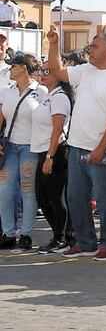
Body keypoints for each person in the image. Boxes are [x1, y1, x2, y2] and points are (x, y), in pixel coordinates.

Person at [46, 27, 106, 260]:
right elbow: (57, 70)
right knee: (75, 198)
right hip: (76, 145)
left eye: (94, 46)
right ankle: (86, 243)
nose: (89, 50)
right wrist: (54, 45)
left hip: (101, 150)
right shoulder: (85, 71)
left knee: (105, 201)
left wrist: (101, 149)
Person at [0, 53, 47, 250]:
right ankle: (8, 233)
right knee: (4, 191)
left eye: (13, 66)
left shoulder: (41, 91)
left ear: (23, 68)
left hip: (30, 147)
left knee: (27, 191)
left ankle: (26, 234)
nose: (9, 69)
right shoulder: (7, 92)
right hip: (10, 147)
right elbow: (1, 118)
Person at [31, 58, 73, 253]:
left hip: (54, 152)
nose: (42, 74)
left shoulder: (59, 97)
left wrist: (50, 156)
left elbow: (58, 129)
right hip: (42, 151)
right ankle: (59, 234)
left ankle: (61, 237)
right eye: (41, 70)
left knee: (55, 197)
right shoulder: (47, 95)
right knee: (42, 197)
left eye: (47, 71)